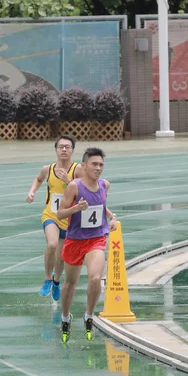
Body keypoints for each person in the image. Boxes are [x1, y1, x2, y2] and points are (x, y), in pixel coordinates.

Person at [57, 147, 117, 342]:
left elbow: (100, 205)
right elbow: (60, 214)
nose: (98, 168)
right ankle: (65, 317)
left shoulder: (104, 185)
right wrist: (76, 208)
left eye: (101, 164)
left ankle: (89, 315)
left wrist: (111, 216)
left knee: (95, 278)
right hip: (75, 240)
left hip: (96, 238)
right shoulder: (74, 187)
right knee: (69, 284)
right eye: (94, 164)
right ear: (84, 166)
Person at [26, 136, 83, 300]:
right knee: (51, 244)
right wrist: (32, 192)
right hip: (51, 214)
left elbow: (84, 191)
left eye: (68, 147)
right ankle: (47, 278)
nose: (64, 149)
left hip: (69, 218)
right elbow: (38, 179)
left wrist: (68, 180)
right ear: (56, 150)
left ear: (72, 150)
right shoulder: (48, 169)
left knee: (61, 256)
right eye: (61, 147)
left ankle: (57, 281)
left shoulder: (77, 169)